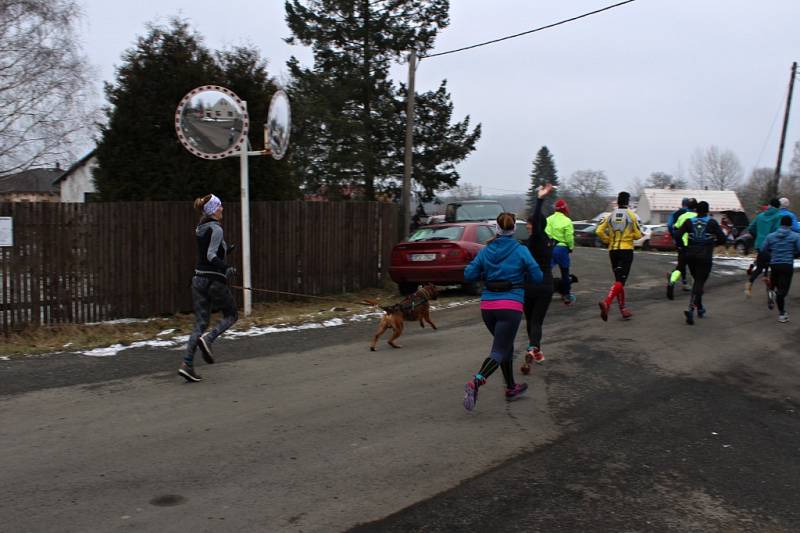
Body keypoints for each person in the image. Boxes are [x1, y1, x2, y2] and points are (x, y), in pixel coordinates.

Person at [462, 212, 543, 411]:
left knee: (505, 345)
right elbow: (538, 276)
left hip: (488, 307)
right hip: (510, 306)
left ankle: (511, 387)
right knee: (499, 350)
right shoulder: (520, 250)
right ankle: (476, 382)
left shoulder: (486, 250)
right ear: (514, 229)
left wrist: (485, 272)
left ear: (497, 228)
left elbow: (468, 274)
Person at [180, 194, 239, 382]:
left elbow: (209, 249)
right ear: (213, 210)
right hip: (214, 281)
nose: (222, 209)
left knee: (200, 323)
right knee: (231, 315)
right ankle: (209, 339)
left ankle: (187, 364)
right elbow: (212, 255)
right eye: (220, 206)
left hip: (198, 280)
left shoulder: (201, 228)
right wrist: (226, 268)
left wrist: (227, 250)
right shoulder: (216, 228)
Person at [521, 183, 556, 374]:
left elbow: (536, 221)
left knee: (531, 321)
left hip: (530, 285)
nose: (527, 226)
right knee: (537, 322)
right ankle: (536, 349)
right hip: (546, 286)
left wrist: (540, 199)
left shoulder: (534, 239)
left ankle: (533, 347)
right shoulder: (549, 241)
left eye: (530, 224)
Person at [675, 201, 726, 325]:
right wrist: (713, 244)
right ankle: (691, 309)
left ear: (696, 211)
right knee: (699, 282)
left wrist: (683, 247)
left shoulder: (689, 222)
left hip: (690, 255)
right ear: (708, 211)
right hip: (705, 256)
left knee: (697, 282)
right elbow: (722, 238)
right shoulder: (712, 222)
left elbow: (677, 235)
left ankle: (700, 308)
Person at [595, 191, 642, 321]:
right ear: (628, 202)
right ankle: (607, 303)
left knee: (618, 282)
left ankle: (623, 309)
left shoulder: (610, 215)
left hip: (613, 251)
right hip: (626, 250)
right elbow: (638, 235)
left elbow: (598, 230)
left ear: (617, 201)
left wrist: (607, 239)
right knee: (621, 281)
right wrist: (630, 236)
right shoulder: (631, 215)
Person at [761, 215, 800, 322]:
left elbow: (763, 249)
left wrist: (772, 254)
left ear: (780, 224)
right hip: (787, 265)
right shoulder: (795, 236)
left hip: (774, 265)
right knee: (783, 291)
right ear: (790, 225)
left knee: (776, 284)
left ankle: (772, 291)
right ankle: (782, 314)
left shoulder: (770, 236)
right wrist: (794, 254)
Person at [745, 199, 781, 296]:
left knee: (760, 267)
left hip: (760, 245)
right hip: (771, 246)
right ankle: (771, 288)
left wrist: (758, 236)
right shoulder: (778, 216)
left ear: (769, 205)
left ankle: (750, 282)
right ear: (778, 207)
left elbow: (751, 228)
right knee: (774, 268)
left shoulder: (760, 216)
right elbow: (777, 231)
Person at [545, 198, 576, 304]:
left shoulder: (549, 219)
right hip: (562, 249)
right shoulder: (567, 221)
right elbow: (569, 237)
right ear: (564, 209)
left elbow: (545, 233)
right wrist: (570, 247)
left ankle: (544, 293)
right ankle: (566, 295)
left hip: (550, 247)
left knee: (546, 271)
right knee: (565, 273)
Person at [666, 198, 697, 299]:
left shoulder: (681, 216)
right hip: (695, 246)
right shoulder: (698, 217)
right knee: (696, 267)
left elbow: (673, 227)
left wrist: (675, 238)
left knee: (680, 266)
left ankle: (672, 281)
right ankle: (696, 287)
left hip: (682, 245)